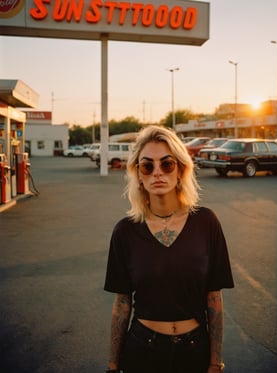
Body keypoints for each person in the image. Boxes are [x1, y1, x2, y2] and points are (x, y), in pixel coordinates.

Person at [104, 125, 234, 373]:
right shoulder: (125, 231)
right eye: (147, 166)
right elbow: (122, 303)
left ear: (181, 170)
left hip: (194, 350)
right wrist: (112, 364)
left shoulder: (206, 222)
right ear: (138, 175)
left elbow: (214, 298)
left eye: (167, 164)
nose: (157, 173)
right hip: (142, 350)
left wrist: (216, 362)